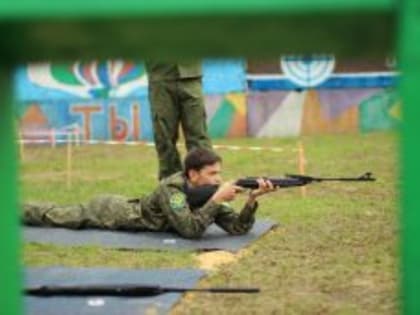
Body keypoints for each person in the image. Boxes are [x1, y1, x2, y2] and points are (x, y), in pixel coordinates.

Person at [23, 148, 275, 239]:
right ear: (192, 174)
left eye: (219, 173)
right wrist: (217, 199)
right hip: (110, 212)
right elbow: (190, 230)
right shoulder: (172, 189)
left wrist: (251, 201)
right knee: (55, 215)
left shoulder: (207, 193)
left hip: (124, 208)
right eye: (212, 173)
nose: (218, 179)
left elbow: (237, 229)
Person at [145, 61, 212, 180]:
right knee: (164, 136)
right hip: (161, 75)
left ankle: (205, 182)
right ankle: (171, 184)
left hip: (191, 76)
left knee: (198, 136)